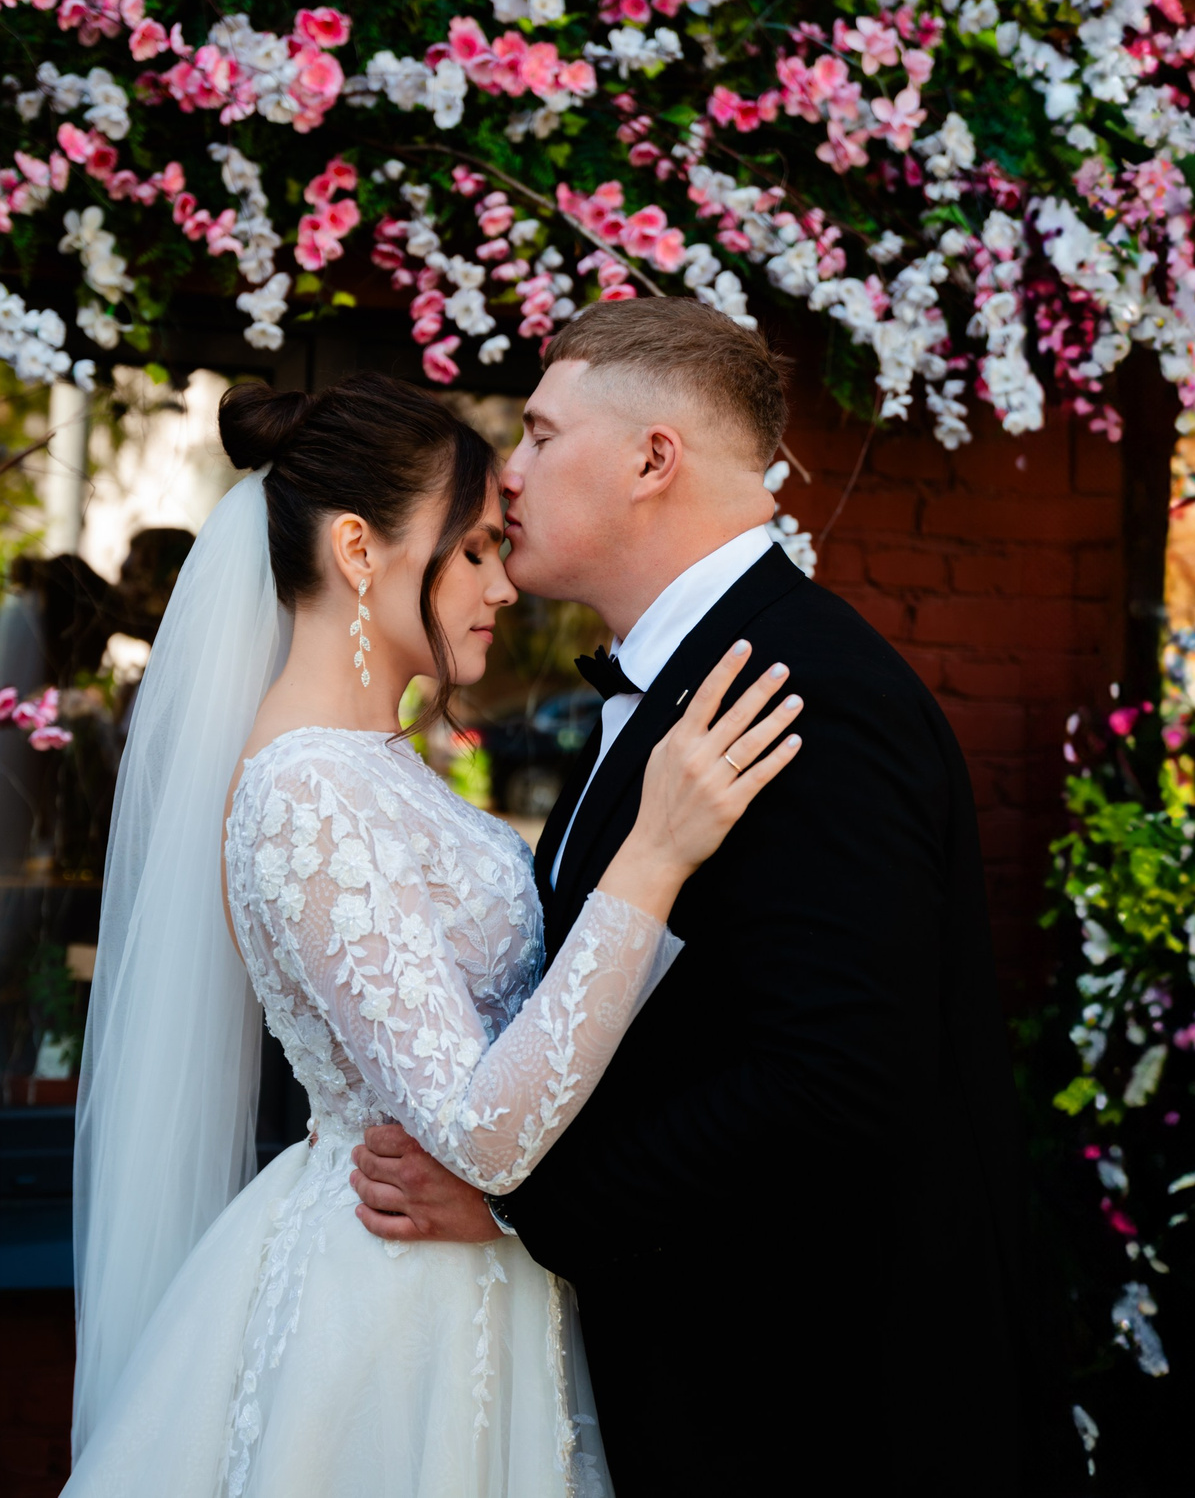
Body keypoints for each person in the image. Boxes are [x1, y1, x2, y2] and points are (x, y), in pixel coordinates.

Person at [347, 298, 1059, 1496]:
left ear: (650, 459)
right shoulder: (683, 679)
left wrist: (526, 1204)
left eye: (537, 432)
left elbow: (833, 1079)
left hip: (818, 1412)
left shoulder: (805, 693)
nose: (506, 475)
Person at [65, 370, 799, 1497]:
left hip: (475, 1281)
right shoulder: (306, 791)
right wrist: (652, 858)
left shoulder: (372, 769)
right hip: (393, 1308)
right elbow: (476, 1134)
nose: (503, 585)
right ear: (359, 553)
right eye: (472, 551)